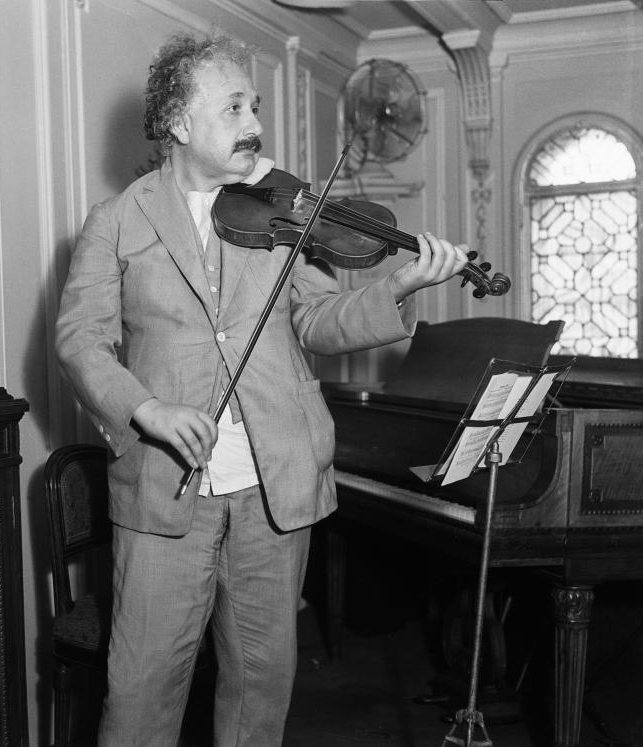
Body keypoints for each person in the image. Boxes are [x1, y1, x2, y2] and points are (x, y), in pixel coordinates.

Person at [55, 32, 469, 747]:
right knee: (140, 699)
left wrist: (395, 287)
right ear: (180, 124)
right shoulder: (116, 221)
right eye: (235, 107)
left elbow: (318, 317)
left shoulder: (280, 212)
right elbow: (79, 341)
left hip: (275, 488)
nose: (255, 123)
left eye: (255, 104)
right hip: (165, 493)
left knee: (259, 696)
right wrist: (145, 408)